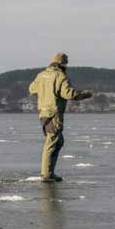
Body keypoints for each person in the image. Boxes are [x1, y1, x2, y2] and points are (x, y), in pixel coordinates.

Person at [29, 53, 92, 182]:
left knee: (58, 141)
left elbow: (31, 89)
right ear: (63, 64)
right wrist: (85, 94)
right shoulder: (60, 76)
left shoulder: (41, 75)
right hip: (54, 114)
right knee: (52, 142)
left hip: (43, 113)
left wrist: (44, 91)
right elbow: (69, 94)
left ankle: (49, 172)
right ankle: (47, 174)